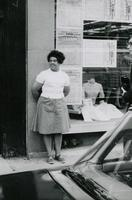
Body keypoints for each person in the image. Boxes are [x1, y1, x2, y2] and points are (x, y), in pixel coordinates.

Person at [31, 50, 70, 164]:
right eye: (50, 60)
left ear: (60, 62)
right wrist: (41, 100)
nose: (52, 62)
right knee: (46, 130)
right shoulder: (44, 74)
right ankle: (50, 155)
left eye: (55, 60)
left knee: (59, 130)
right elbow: (34, 89)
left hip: (59, 103)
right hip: (45, 102)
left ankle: (58, 154)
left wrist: (58, 97)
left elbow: (66, 91)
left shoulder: (64, 75)